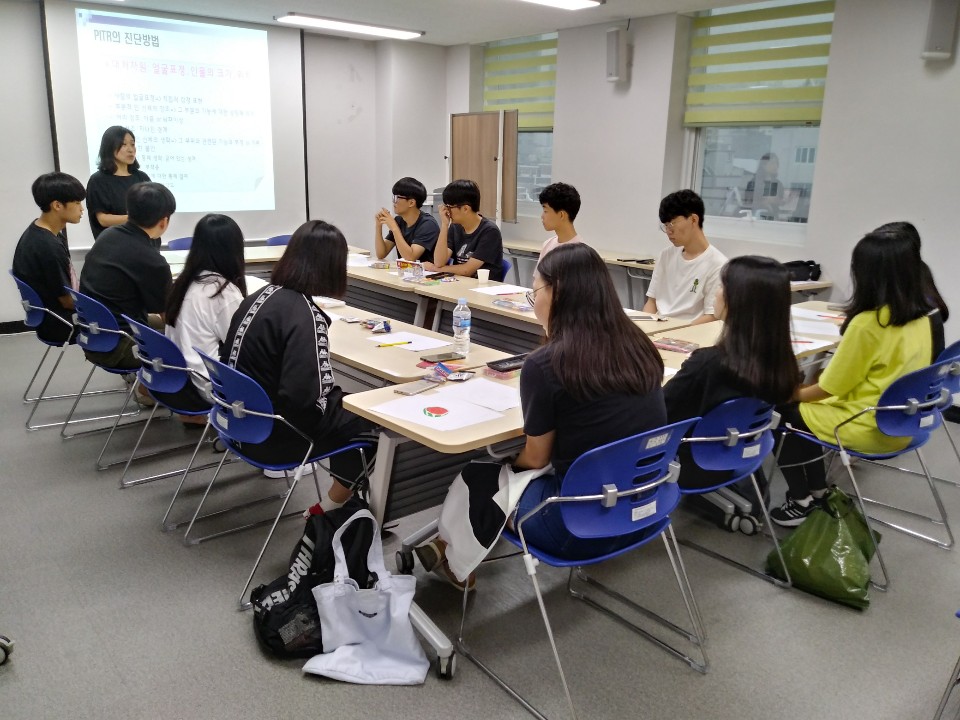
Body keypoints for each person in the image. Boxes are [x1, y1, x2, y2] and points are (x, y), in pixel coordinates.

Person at [415, 243, 667, 588]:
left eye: (534, 291)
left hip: (575, 529)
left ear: (557, 292)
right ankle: (448, 548)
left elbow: (536, 459)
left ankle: (455, 560)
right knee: (514, 476)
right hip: (647, 510)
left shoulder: (547, 364)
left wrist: (508, 468)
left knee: (481, 477)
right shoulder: (641, 347)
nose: (533, 302)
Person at [770, 225, 944, 527]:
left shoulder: (869, 323)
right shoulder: (925, 313)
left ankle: (801, 500)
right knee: (801, 408)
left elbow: (828, 388)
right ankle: (819, 490)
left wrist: (788, 393)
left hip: (869, 425)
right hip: (904, 420)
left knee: (779, 412)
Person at [222, 220, 378, 509]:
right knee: (372, 424)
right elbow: (304, 398)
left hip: (237, 423)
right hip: (273, 439)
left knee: (346, 407)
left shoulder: (257, 297)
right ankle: (328, 510)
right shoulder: (304, 314)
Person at [664, 256, 801, 490]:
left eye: (722, 286)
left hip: (690, 466)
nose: (717, 293)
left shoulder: (708, 364)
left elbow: (661, 414)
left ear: (739, 300)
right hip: (745, 453)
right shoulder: (780, 359)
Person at [78, 182, 175, 378]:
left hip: (93, 334)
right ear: (164, 221)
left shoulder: (107, 236)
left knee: (159, 324)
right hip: (120, 347)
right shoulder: (153, 262)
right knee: (192, 342)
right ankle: (149, 387)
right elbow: (170, 318)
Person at [164, 214, 248, 418]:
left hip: (179, 377)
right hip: (207, 385)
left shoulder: (185, 281)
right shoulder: (222, 292)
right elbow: (241, 346)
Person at [12, 172, 86, 344]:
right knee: (127, 318)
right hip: (61, 323)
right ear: (57, 205)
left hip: (50, 318)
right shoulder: (47, 246)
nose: (82, 209)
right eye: (77, 203)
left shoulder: (39, 232)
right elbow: (67, 301)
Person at [643, 189, 727, 324]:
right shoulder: (666, 255)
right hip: (658, 327)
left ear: (693, 220)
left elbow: (712, 316)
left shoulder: (718, 264)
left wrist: (674, 332)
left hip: (690, 331)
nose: (668, 231)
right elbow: (651, 302)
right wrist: (645, 327)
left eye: (672, 224)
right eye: (665, 226)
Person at [423, 179, 504, 280]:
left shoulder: (490, 232)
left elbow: (467, 270)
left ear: (465, 209)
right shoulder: (455, 227)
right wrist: (444, 225)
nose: (447, 211)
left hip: (483, 286)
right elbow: (439, 262)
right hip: (460, 283)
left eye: (449, 207)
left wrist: (435, 269)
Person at [86, 126, 151, 239]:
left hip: (145, 242)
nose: (131, 149)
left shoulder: (142, 177)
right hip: (114, 243)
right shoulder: (98, 180)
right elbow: (103, 219)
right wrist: (137, 219)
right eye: (124, 144)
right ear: (110, 147)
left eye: (132, 144)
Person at [374, 177, 440, 264]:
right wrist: (378, 226)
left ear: (411, 203)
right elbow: (381, 254)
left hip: (426, 271)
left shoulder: (428, 224)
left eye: (397, 198)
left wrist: (394, 228)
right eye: (393, 197)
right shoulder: (399, 221)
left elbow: (410, 258)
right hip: (407, 271)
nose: (394, 202)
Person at [534, 182, 582, 281]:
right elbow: (538, 281)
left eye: (546, 211)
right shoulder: (548, 244)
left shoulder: (581, 253)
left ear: (561, 215)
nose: (542, 216)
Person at [744, 152, 783, 220]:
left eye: (776, 163)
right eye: (772, 163)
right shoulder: (753, 183)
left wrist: (780, 201)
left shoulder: (778, 183)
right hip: (756, 218)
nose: (775, 166)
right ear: (763, 165)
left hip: (773, 219)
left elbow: (781, 201)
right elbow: (748, 203)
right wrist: (764, 202)